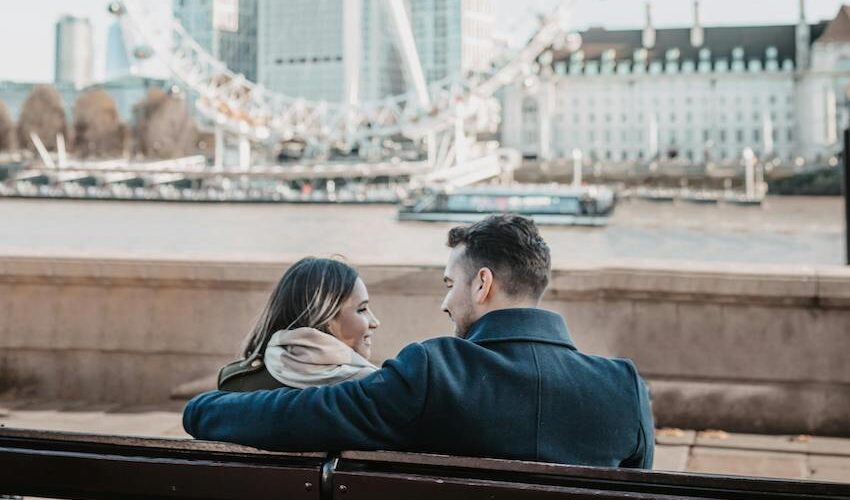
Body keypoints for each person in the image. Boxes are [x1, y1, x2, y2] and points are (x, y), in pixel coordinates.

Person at [184, 214, 655, 468]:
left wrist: (203, 409)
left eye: (450, 283)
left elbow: (305, 415)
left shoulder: (434, 372)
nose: (444, 303)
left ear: (482, 284)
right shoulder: (624, 389)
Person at [217, 257, 380, 392]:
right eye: (362, 309)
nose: (375, 322)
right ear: (325, 317)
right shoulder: (374, 389)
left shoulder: (236, 381)